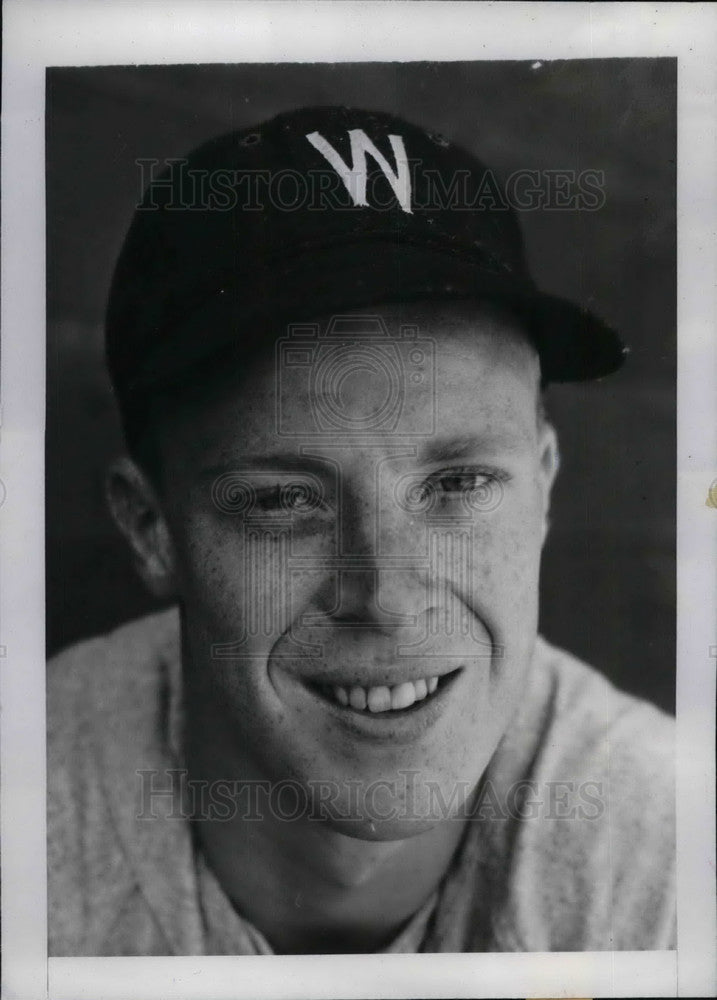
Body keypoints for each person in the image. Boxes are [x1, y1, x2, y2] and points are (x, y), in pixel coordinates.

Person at [47, 106, 675, 955]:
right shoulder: (32, 815)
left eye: (457, 482)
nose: (384, 595)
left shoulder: (669, 860)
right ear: (151, 529)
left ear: (544, 488)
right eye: (281, 501)